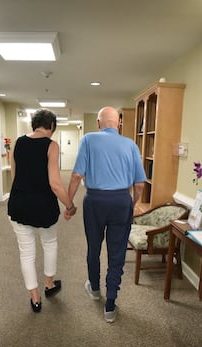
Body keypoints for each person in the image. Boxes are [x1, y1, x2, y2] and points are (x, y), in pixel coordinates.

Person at [66, 106, 146, 323]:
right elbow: (139, 184)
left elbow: (75, 177)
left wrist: (68, 203)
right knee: (117, 252)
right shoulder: (131, 144)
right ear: (118, 123)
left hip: (95, 200)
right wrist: (131, 203)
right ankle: (110, 304)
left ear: (98, 123)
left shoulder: (88, 139)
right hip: (121, 201)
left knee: (94, 246)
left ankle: (94, 288)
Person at [8, 109, 77, 313]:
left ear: (34, 124)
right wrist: (70, 206)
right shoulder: (51, 145)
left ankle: (35, 299)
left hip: (19, 204)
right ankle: (49, 285)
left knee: (26, 252)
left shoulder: (17, 143)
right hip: (44, 206)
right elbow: (55, 184)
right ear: (52, 127)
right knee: (49, 243)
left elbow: (14, 178)